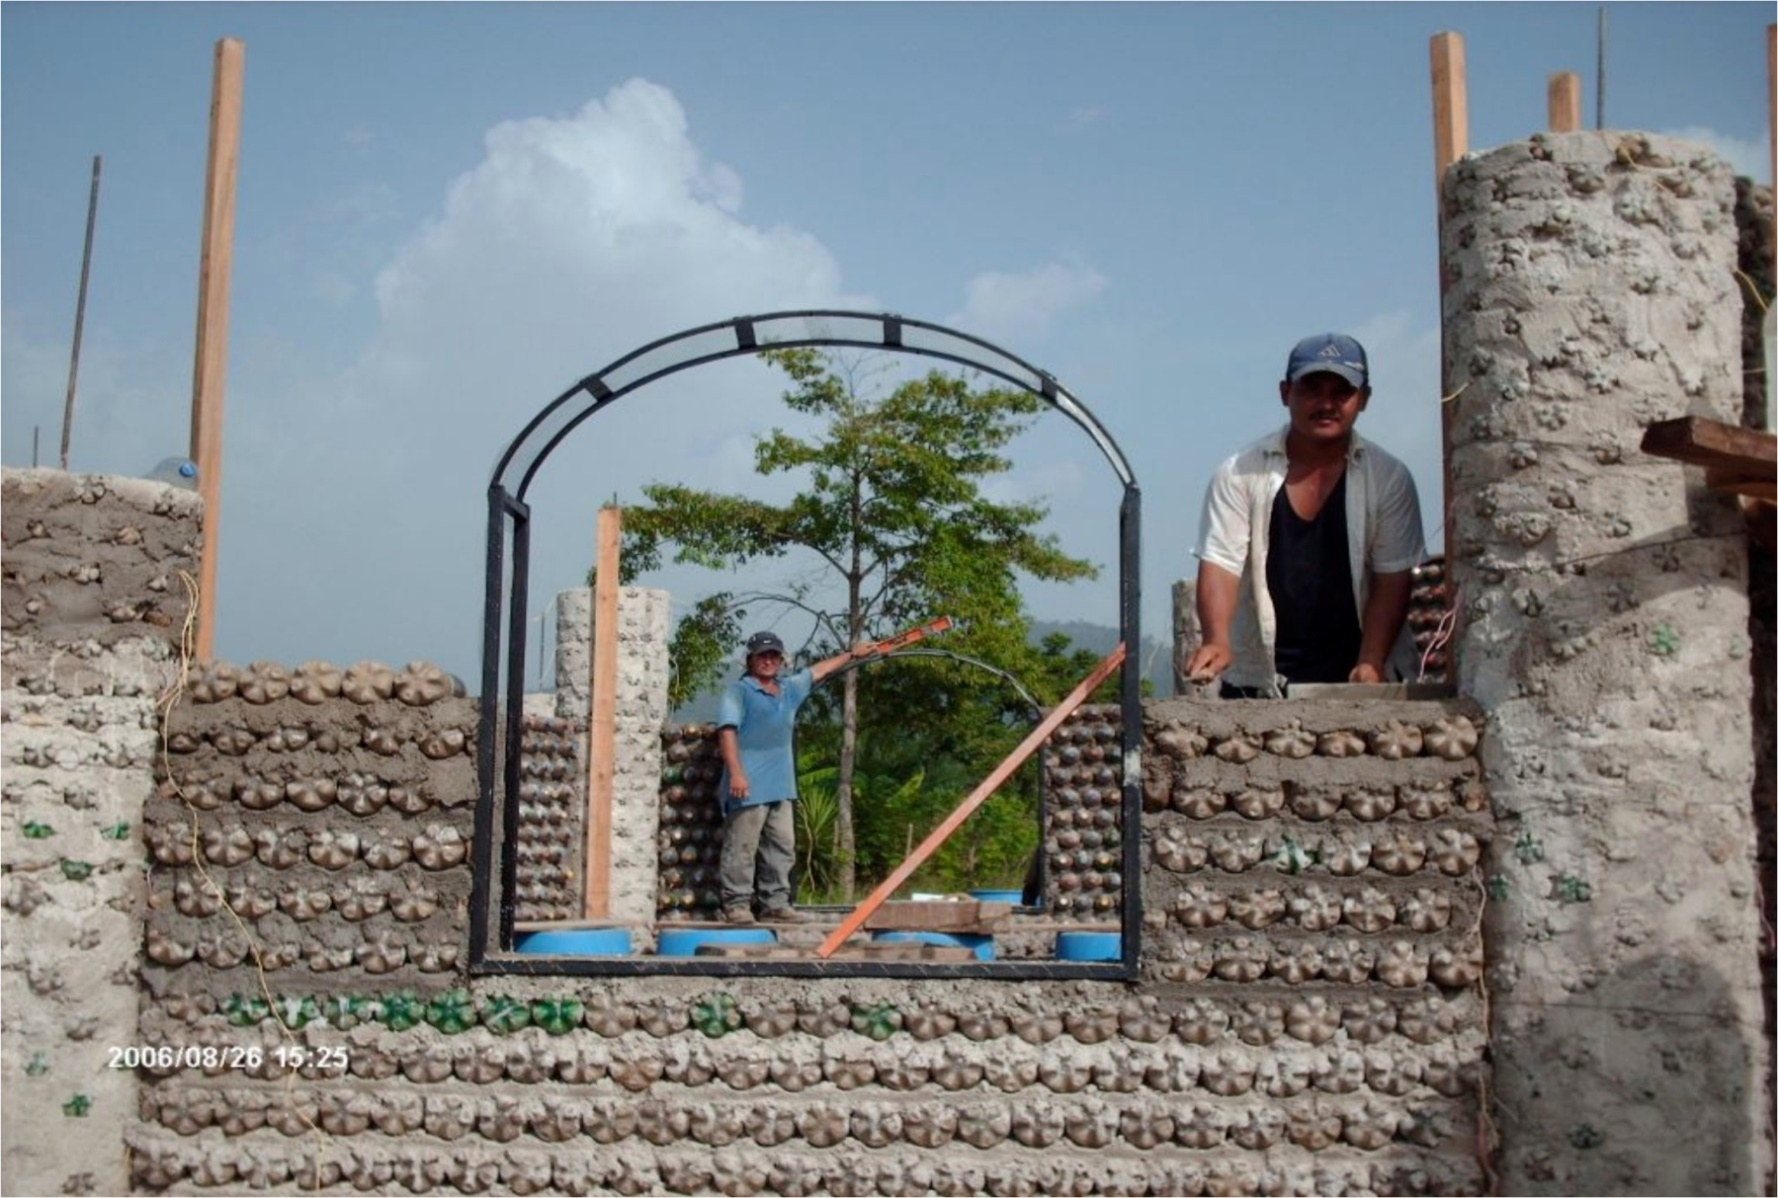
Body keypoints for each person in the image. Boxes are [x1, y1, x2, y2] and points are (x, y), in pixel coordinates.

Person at [1185, 332, 1425, 698]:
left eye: (1340, 392)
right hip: (1258, 680)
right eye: (1311, 389)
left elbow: (1391, 575)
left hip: (1358, 681)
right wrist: (1217, 639)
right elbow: (1220, 562)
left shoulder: (1389, 477)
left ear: (1364, 399)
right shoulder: (1238, 473)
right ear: (1285, 393)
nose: (1326, 403)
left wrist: (1371, 660)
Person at [716, 630, 858, 924]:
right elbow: (727, 732)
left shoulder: (789, 689)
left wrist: (854, 654)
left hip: (781, 786)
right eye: (762, 656)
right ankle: (737, 904)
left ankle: (776, 903)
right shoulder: (740, 692)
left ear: (781, 660)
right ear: (750, 659)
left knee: (782, 847)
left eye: (773, 656)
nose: (768, 661)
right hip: (749, 785)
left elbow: (818, 670)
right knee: (742, 846)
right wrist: (737, 774)